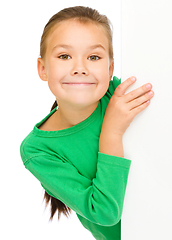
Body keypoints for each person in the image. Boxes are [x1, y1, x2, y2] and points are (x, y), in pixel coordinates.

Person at [20, 6, 154, 240]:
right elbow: (104, 212)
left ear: (110, 68)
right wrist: (111, 131)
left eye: (93, 57)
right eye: (64, 56)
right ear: (43, 69)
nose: (80, 69)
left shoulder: (120, 94)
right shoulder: (37, 150)